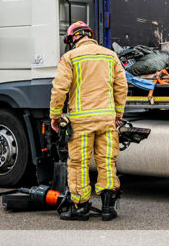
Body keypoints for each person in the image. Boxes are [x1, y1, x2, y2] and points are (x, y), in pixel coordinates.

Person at [49, 21, 128, 221]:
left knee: (78, 164)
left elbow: (60, 89)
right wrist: (118, 114)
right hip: (107, 120)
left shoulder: (70, 58)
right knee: (106, 161)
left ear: (73, 37)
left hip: (81, 121)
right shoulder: (110, 55)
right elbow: (121, 86)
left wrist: (55, 116)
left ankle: (81, 207)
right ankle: (109, 208)